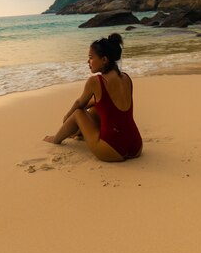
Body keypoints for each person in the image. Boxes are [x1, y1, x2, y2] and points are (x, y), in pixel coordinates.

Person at [44, 33, 142, 162]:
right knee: (96, 108)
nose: (88, 62)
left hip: (112, 149)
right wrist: (91, 104)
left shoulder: (96, 81)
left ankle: (56, 139)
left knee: (78, 113)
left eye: (91, 57)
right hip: (136, 145)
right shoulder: (126, 78)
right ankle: (78, 134)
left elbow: (79, 103)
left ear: (104, 60)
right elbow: (106, 103)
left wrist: (67, 117)